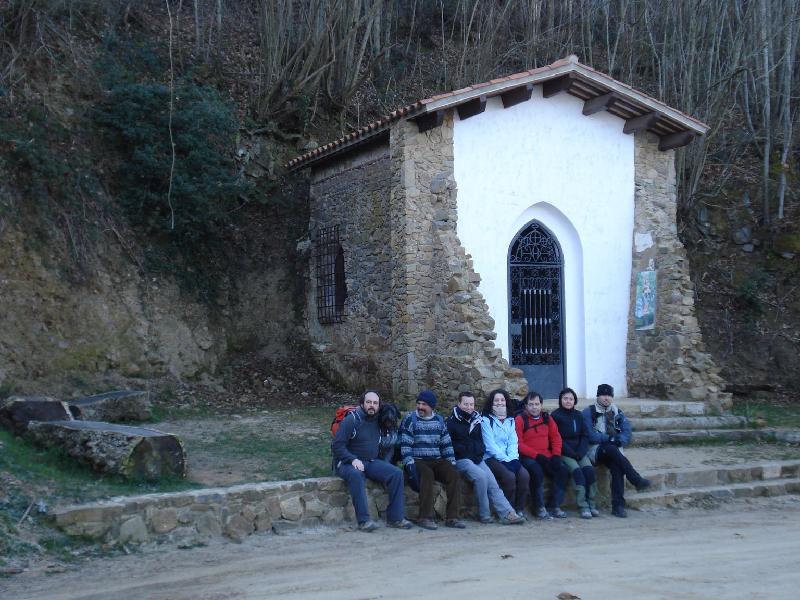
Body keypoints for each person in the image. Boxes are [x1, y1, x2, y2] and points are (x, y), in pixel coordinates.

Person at [331, 390, 414, 532]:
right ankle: (364, 521)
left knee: (396, 473)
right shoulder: (352, 420)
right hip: (347, 463)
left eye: (375, 403)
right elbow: (336, 446)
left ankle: (395, 518)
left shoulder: (378, 420)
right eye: (368, 402)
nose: (371, 405)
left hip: (370, 462)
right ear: (362, 403)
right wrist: (352, 459)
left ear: (379, 406)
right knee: (356, 476)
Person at [446, 391, 525, 525]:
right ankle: (484, 515)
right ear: (459, 404)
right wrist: (469, 452)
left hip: (476, 458)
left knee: (492, 482)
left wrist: (478, 452)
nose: (469, 407)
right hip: (461, 460)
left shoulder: (476, 420)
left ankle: (507, 513)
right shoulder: (451, 422)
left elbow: (480, 442)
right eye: (466, 404)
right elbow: (451, 446)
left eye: (471, 404)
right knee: (481, 477)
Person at [399, 390, 466, 530]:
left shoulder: (440, 421)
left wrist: (452, 462)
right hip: (417, 460)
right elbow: (405, 444)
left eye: (424, 404)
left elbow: (446, 444)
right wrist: (409, 464)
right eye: (418, 403)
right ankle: (425, 517)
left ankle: (452, 517)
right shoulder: (410, 419)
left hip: (436, 458)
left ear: (432, 407)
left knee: (453, 474)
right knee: (427, 474)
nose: (420, 407)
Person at [583, 383, 652, 518]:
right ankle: (636, 479)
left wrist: (621, 440)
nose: (606, 398)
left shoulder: (617, 412)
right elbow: (590, 435)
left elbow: (627, 431)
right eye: (603, 395)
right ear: (598, 396)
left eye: (609, 395)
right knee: (611, 448)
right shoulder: (588, 412)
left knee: (617, 467)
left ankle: (618, 506)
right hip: (595, 450)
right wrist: (611, 439)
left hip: (613, 451)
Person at [515, 391, 570, 519]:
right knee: (536, 471)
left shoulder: (547, 418)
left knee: (562, 470)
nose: (534, 407)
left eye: (537, 404)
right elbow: (518, 443)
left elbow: (556, 437)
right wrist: (536, 455)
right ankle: (539, 508)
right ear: (526, 406)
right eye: (531, 404)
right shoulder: (520, 420)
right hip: (527, 456)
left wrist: (556, 455)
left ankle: (554, 505)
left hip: (547, 455)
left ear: (541, 405)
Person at [481, 389, 530, 518]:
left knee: (524, 475)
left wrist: (513, 458)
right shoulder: (486, 420)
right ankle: (507, 511)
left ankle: (519, 508)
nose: (500, 403)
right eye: (496, 400)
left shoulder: (510, 420)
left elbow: (513, 442)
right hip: (491, 457)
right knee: (509, 477)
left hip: (509, 457)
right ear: (491, 403)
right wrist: (505, 459)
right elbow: (489, 445)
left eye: (502, 400)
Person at [551, 387, 597, 519]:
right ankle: (583, 506)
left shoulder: (579, 415)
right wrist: (571, 452)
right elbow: (556, 437)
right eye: (565, 398)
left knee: (589, 471)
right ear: (560, 400)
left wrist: (582, 450)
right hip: (565, 452)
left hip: (579, 451)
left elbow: (584, 435)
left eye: (571, 399)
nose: (568, 401)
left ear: (574, 401)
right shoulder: (555, 416)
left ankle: (592, 504)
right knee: (577, 472)